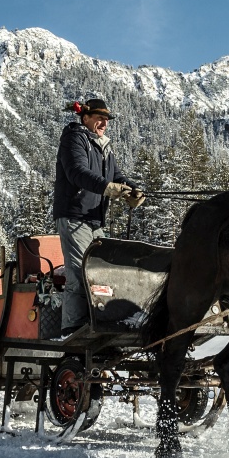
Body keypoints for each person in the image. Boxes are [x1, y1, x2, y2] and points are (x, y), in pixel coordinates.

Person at [52, 98, 145, 336]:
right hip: (73, 216)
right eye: (99, 118)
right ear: (85, 118)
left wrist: (133, 189)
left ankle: (97, 324)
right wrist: (107, 187)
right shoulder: (74, 138)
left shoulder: (103, 146)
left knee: (100, 274)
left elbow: (117, 175)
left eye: (106, 119)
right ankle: (71, 329)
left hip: (94, 220)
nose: (104, 123)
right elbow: (76, 173)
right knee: (79, 272)